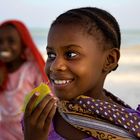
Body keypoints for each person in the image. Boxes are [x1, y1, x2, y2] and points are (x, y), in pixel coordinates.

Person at [23, 7, 140, 140]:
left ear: (109, 60)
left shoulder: (130, 125)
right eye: (51, 54)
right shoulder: (41, 119)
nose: (55, 66)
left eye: (71, 54)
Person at [0, 20, 48, 140]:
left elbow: (48, 98)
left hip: (28, 133)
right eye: (0, 42)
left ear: (23, 44)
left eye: (11, 41)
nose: (4, 46)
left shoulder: (32, 70)